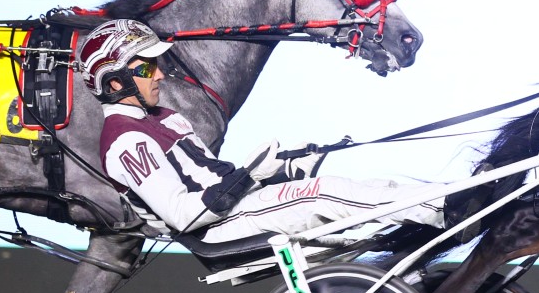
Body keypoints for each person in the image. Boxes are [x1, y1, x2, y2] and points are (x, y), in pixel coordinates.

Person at [76, 18, 439, 244]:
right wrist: (251, 175)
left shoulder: (164, 117)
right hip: (218, 231)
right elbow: (184, 215)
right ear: (114, 82)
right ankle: (444, 206)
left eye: (156, 66)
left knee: (367, 189)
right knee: (331, 193)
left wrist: (285, 167)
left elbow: (208, 178)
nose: (158, 75)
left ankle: (444, 199)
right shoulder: (126, 142)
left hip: (236, 211)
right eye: (145, 69)